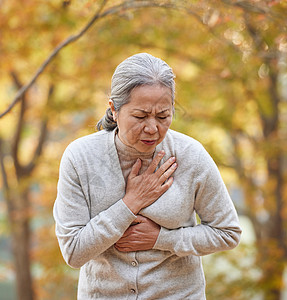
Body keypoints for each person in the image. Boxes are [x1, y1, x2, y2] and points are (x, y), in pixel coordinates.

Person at [53, 53, 242, 299]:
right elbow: (74, 252)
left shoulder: (190, 156)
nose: (153, 128)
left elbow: (227, 232)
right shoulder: (81, 158)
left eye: (163, 116)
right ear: (114, 110)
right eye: (140, 116)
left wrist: (162, 239)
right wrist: (130, 203)